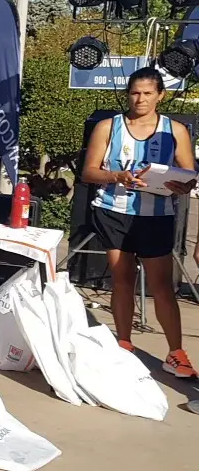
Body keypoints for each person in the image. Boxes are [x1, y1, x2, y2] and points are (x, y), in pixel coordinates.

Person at [82, 66, 195, 379]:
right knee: (122, 280)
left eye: (147, 93)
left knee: (161, 287)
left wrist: (181, 184)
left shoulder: (175, 130)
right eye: (134, 93)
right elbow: (88, 172)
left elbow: (189, 175)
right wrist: (116, 175)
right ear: (127, 94)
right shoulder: (109, 126)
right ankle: (124, 344)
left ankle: (176, 353)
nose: (140, 99)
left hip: (156, 216)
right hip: (113, 211)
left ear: (160, 95)